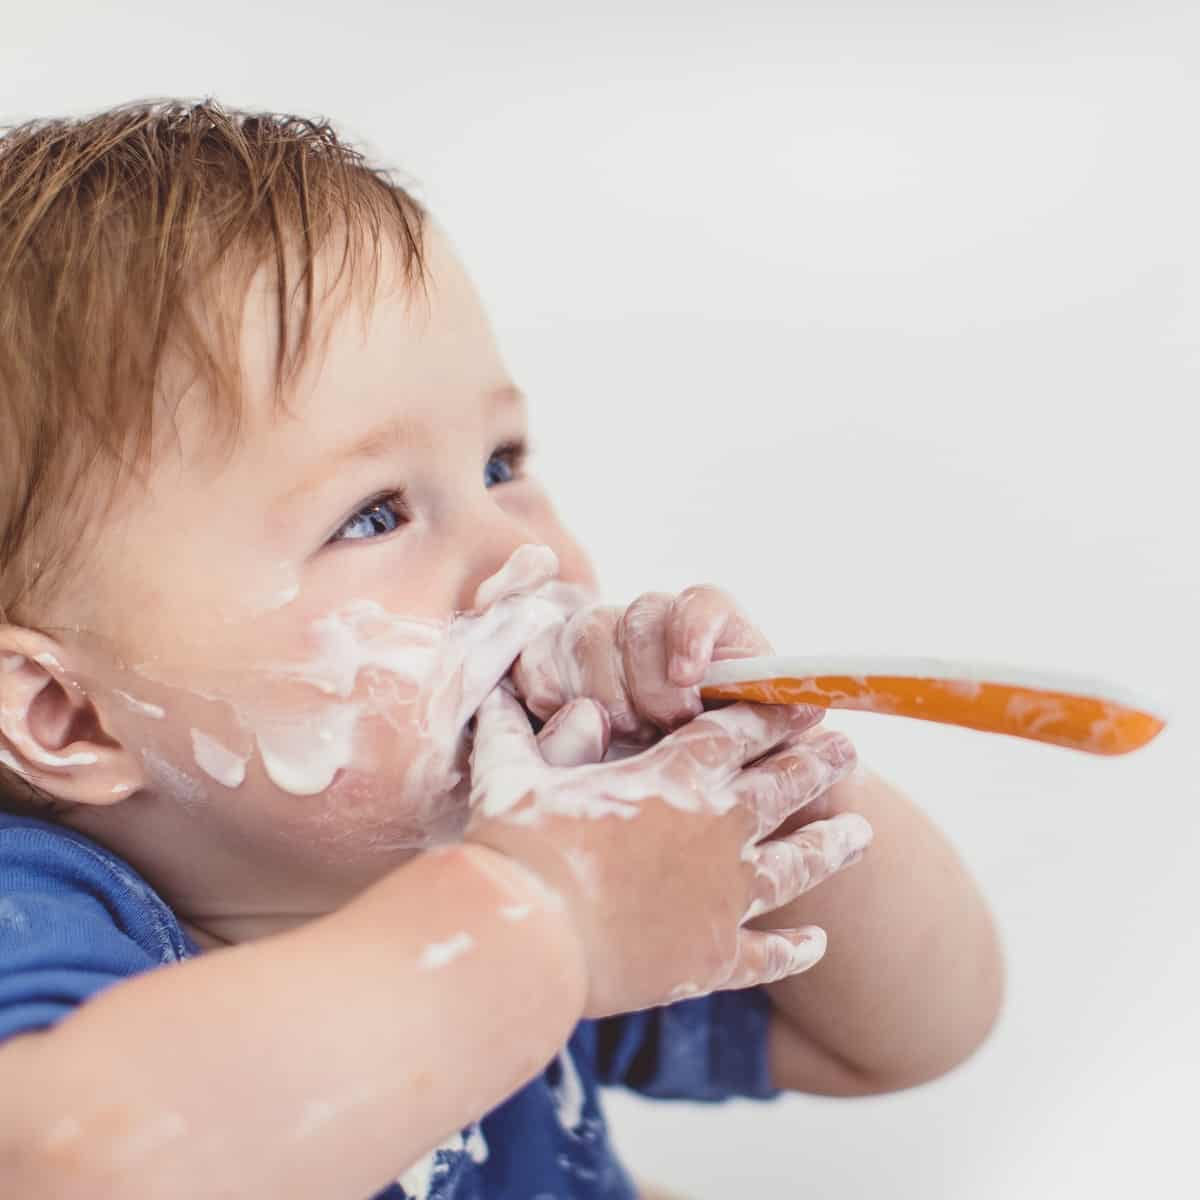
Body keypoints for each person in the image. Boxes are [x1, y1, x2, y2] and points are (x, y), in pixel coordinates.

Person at [0, 100, 1004, 1199]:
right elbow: (68, 1159)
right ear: (67, 716)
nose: (517, 554)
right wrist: (536, 929)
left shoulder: (527, 839)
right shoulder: (42, 917)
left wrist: (779, 784)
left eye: (500, 463)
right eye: (374, 514)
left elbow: (902, 1041)